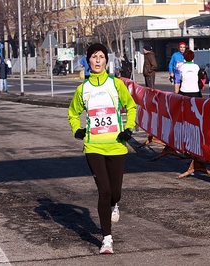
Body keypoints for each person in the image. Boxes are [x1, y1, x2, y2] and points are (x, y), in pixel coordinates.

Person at [68, 43, 137, 255]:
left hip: (116, 146)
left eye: (101, 57)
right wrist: (76, 130)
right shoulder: (83, 89)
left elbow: (131, 106)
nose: (97, 60)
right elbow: (72, 112)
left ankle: (115, 204)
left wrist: (129, 128)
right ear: (88, 61)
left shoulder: (116, 84)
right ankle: (107, 239)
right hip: (93, 147)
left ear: (106, 60)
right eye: (93, 57)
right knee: (104, 191)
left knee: (115, 192)